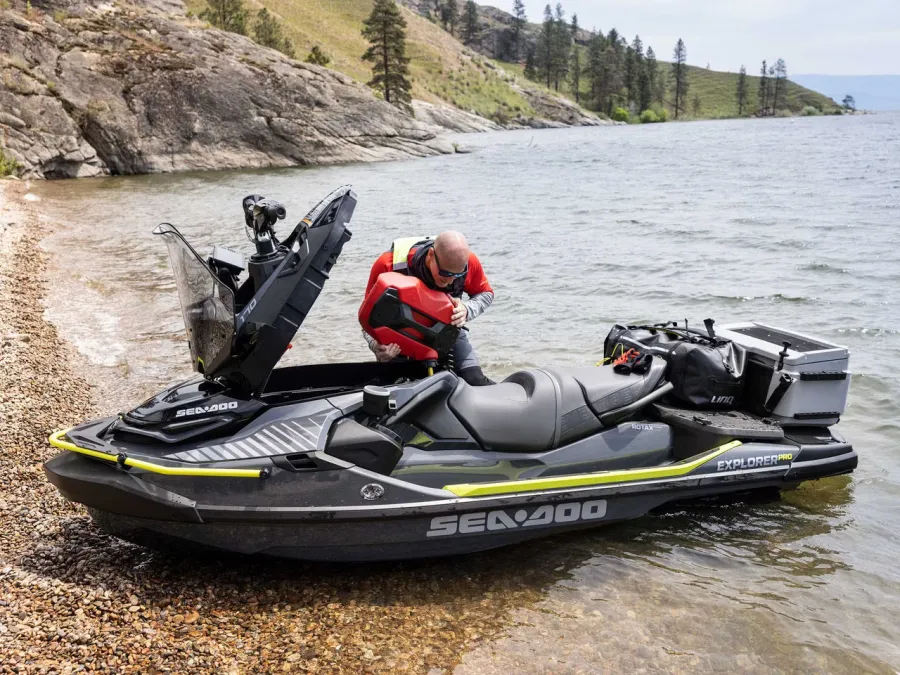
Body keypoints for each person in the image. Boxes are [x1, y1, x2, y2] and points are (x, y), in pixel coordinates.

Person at [363, 231, 495, 386]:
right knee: (393, 389)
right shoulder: (389, 265)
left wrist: (467, 309)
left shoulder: (466, 262)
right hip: (400, 338)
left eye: (457, 276)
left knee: (474, 380)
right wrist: (375, 345)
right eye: (445, 274)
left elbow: (485, 293)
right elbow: (367, 317)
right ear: (431, 255)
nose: (450, 281)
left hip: (448, 332)